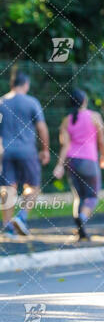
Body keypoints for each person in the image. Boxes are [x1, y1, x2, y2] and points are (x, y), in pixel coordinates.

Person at [0, 71, 50, 237]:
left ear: (11, 85)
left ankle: (7, 226)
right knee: (33, 185)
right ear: (26, 85)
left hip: (6, 151)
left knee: (8, 188)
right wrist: (45, 150)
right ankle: (22, 217)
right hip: (27, 151)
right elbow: (42, 128)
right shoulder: (32, 102)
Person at [53, 89, 104, 241]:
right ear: (84, 101)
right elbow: (101, 141)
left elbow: (66, 145)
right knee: (92, 196)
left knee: (79, 196)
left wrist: (60, 165)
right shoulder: (94, 117)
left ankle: (80, 228)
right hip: (89, 161)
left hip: (71, 162)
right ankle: (82, 217)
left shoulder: (67, 120)